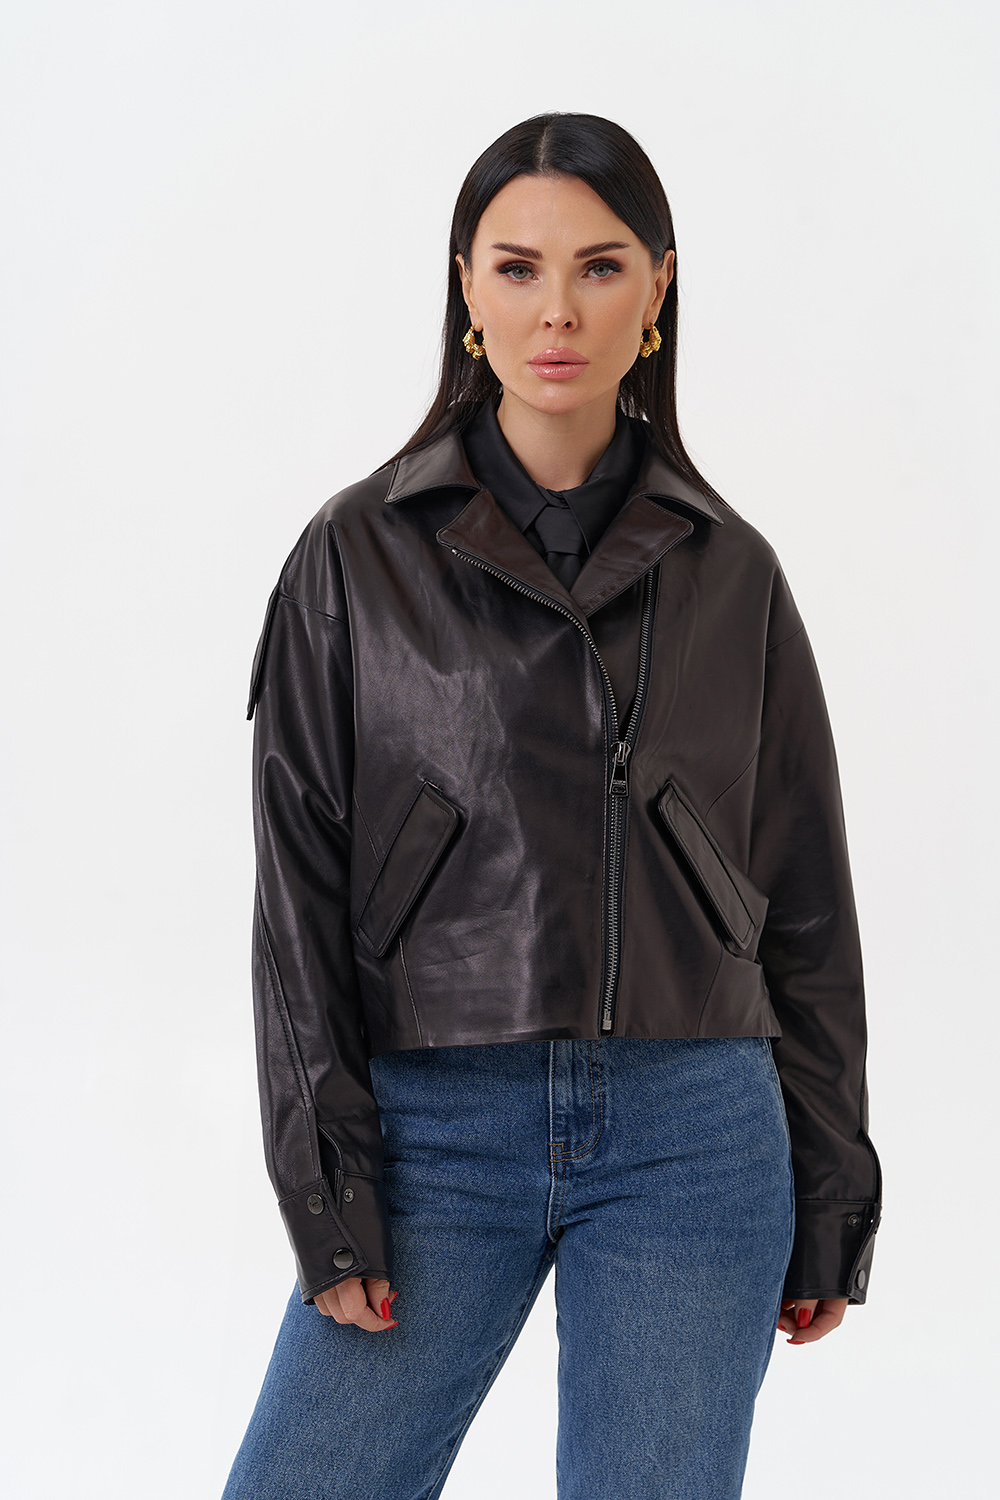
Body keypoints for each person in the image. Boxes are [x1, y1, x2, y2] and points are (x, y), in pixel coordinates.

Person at [221, 112, 882, 1500]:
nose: (558, 311)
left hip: (694, 1128)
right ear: (467, 286)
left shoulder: (733, 571)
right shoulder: (353, 555)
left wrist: (831, 1193)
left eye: (601, 266)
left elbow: (805, 901)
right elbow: (298, 895)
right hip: (432, 1130)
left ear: (658, 288)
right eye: (518, 268)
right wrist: (328, 1186)